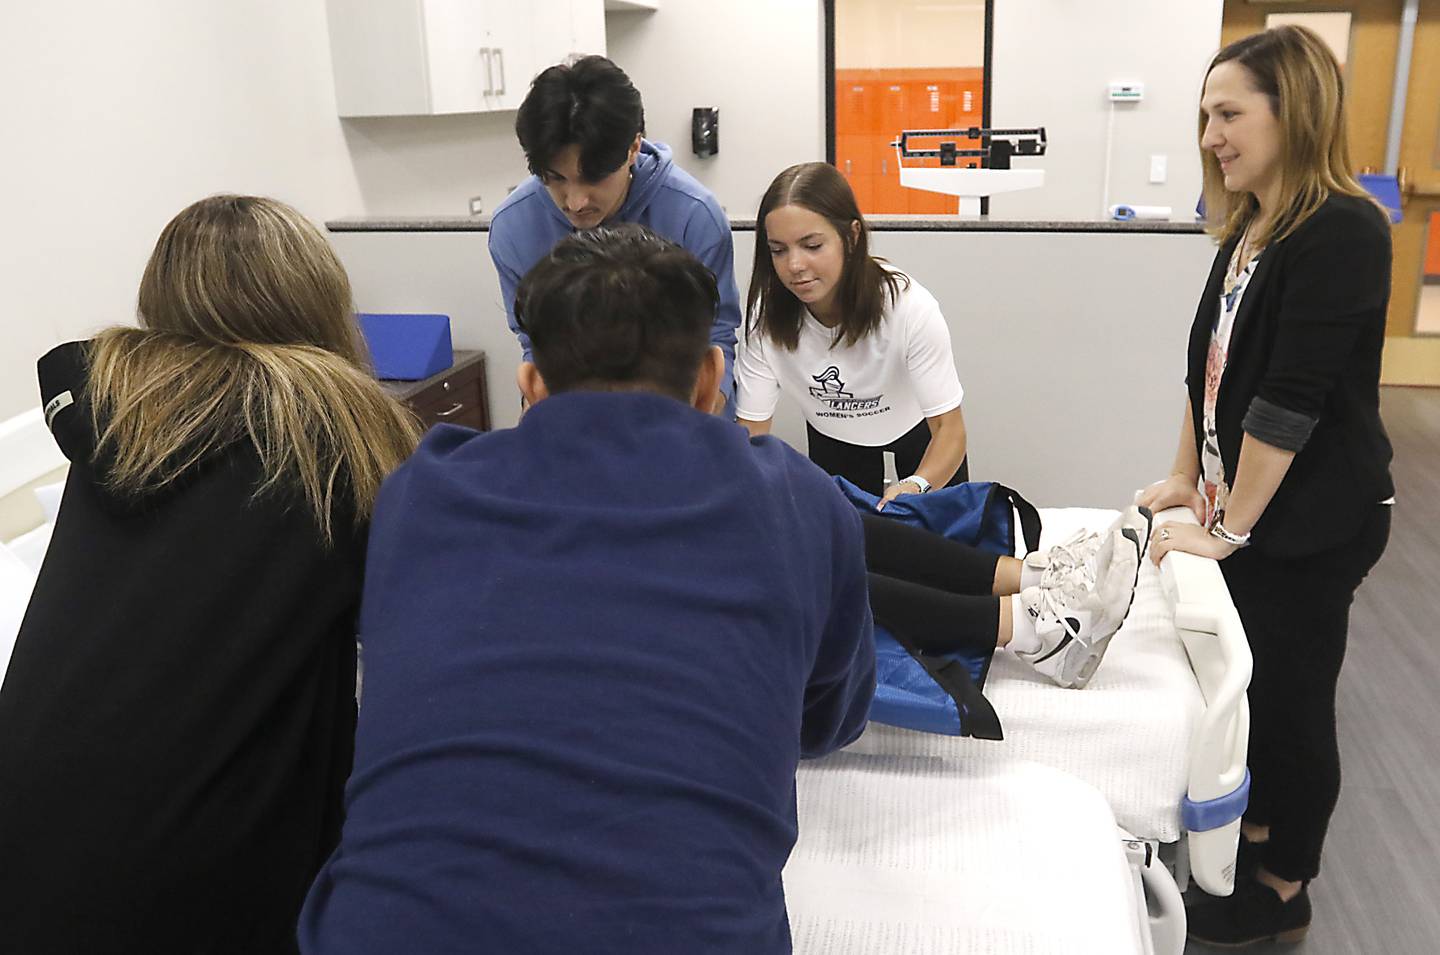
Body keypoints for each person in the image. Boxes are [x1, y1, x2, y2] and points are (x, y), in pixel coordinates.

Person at [298, 225, 875, 955]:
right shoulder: (800, 500)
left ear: (530, 386)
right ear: (710, 379)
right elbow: (825, 720)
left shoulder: (421, 491)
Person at [0, 196, 420, 955]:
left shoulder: (120, 422)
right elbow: (424, 647)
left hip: (25, 863)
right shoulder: (339, 431)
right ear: (318, 298)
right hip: (204, 897)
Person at [1139, 26, 1394, 947]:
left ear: (1295, 112)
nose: (1211, 133)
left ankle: (1288, 882)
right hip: (1248, 511)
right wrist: (1184, 475)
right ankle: (1253, 833)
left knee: (1291, 696)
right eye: (1205, 114)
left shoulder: (1342, 230)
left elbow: (1288, 406)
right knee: (1246, 691)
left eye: (1229, 112)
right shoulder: (1251, 227)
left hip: (1315, 521)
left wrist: (1231, 528)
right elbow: (1206, 371)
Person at [488, 54, 741, 413]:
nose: (575, 202)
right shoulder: (514, 228)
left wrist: (696, 427)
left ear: (634, 147)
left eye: (593, 177)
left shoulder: (694, 216)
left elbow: (715, 337)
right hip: (574, 423)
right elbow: (536, 344)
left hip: (680, 420)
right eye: (555, 178)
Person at [736, 161, 967, 507]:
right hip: (834, 437)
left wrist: (918, 484)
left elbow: (950, 431)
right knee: (850, 546)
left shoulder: (909, 307)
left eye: (812, 246)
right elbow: (750, 436)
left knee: (941, 541)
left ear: (852, 236)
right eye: (778, 250)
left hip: (921, 432)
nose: (794, 265)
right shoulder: (766, 319)